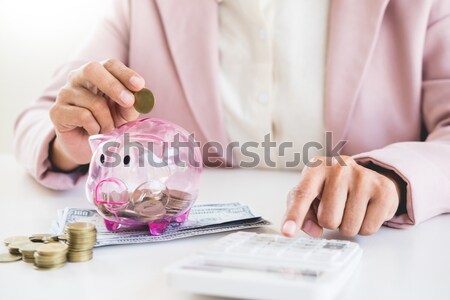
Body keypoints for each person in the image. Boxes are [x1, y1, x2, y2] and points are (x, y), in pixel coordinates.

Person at [14, 0, 450, 238]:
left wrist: (392, 178)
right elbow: (41, 116)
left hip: (370, 257)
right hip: (174, 265)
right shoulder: (141, 7)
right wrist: (67, 143)